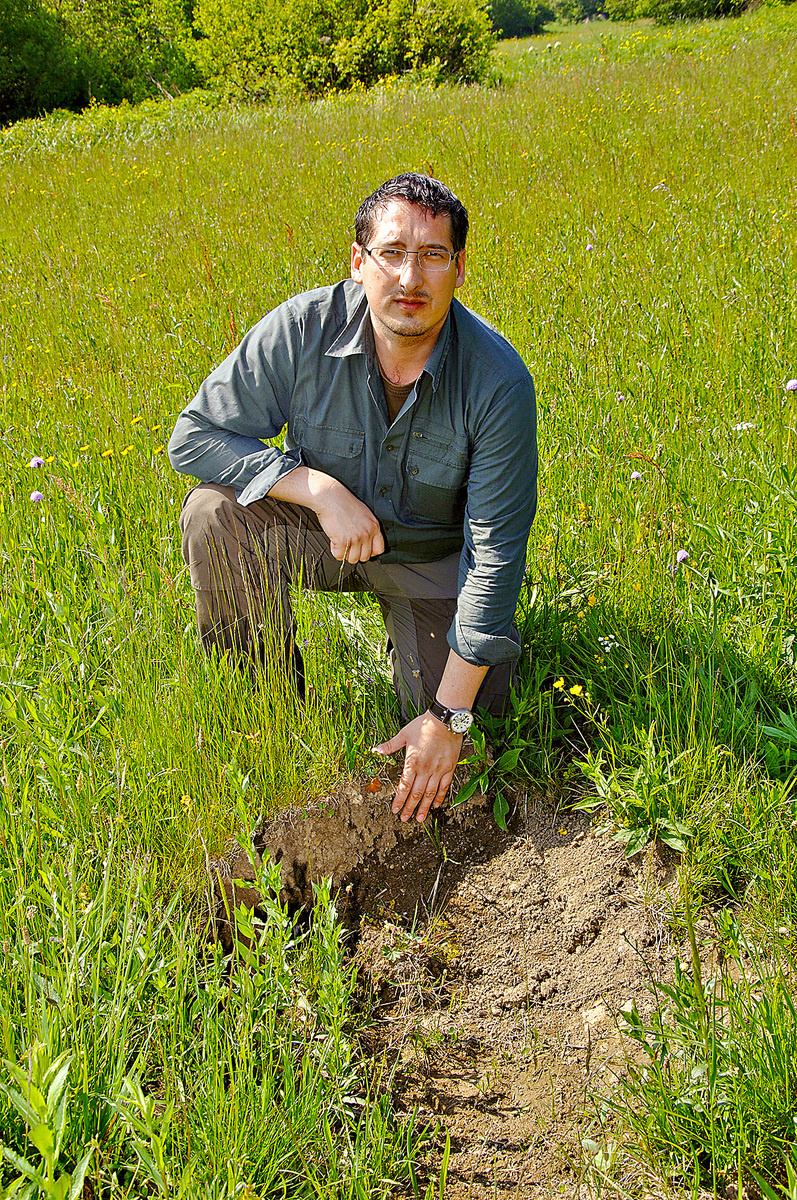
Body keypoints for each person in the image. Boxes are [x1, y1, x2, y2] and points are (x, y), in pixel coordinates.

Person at [168, 172, 537, 826]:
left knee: (470, 754)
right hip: (327, 535)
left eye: (432, 256)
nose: (410, 279)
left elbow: (495, 555)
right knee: (213, 512)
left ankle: (421, 666)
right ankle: (268, 722)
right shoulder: (302, 329)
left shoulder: (497, 381)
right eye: (392, 253)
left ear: (459, 269)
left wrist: (448, 719)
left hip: (430, 559)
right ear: (358, 261)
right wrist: (315, 488)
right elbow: (195, 436)